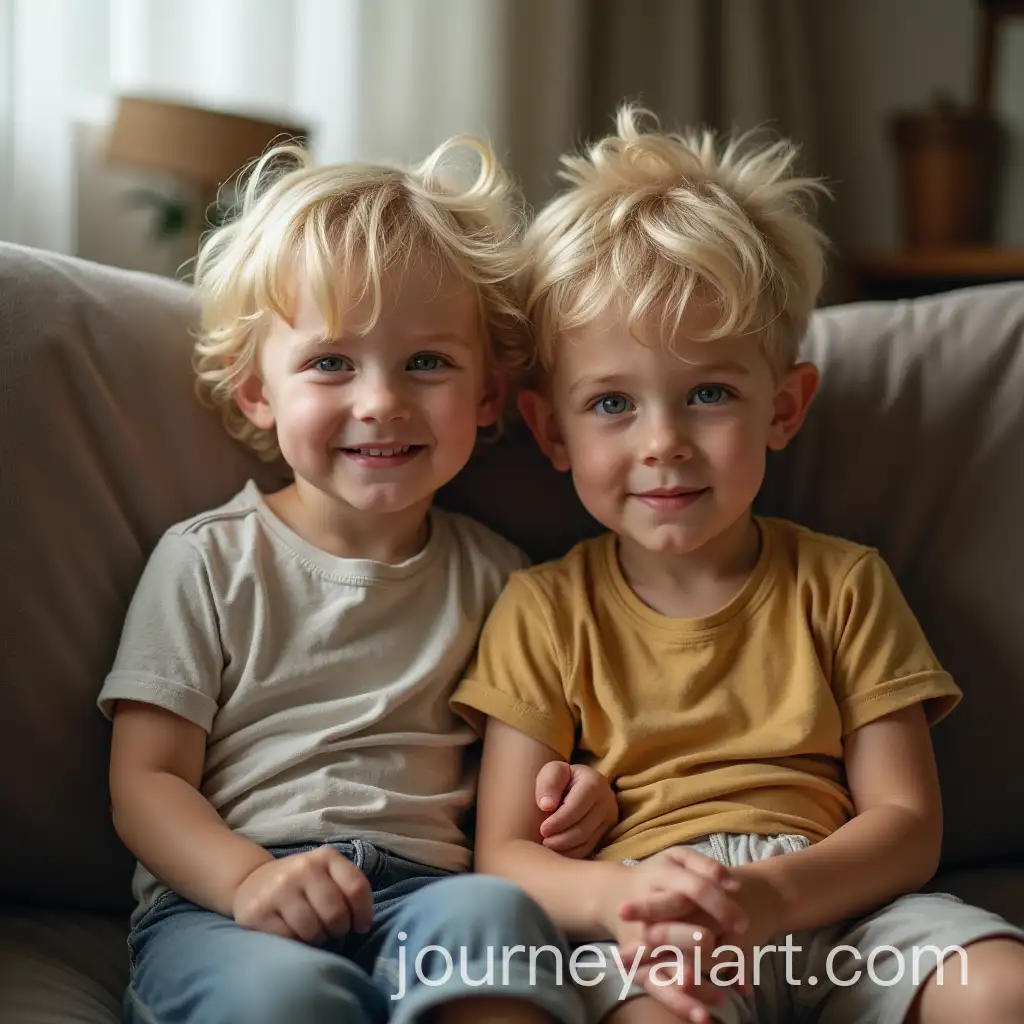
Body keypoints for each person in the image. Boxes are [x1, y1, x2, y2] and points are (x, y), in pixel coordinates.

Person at [451, 105, 1024, 1024]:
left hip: (844, 914)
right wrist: (626, 908)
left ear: (785, 408)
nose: (665, 444)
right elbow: (508, 855)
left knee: (999, 988)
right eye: (611, 404)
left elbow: (908, 825)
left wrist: (768, 901)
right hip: (650, 923)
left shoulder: (843, 583)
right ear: (550, 429)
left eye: (709, 392)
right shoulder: (542, 608)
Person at [97, 136, 619, 1024]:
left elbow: (542, 758)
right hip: (231, 905)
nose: (381, 400)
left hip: (430, 894)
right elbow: (146, 781)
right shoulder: (209, 559)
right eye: (331, 362)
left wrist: (581, 791)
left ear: (489, 394)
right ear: (256, 391)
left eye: (427, 363)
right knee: (284, 998)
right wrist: (248, 880)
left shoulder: (505, 579)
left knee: (499, 916)